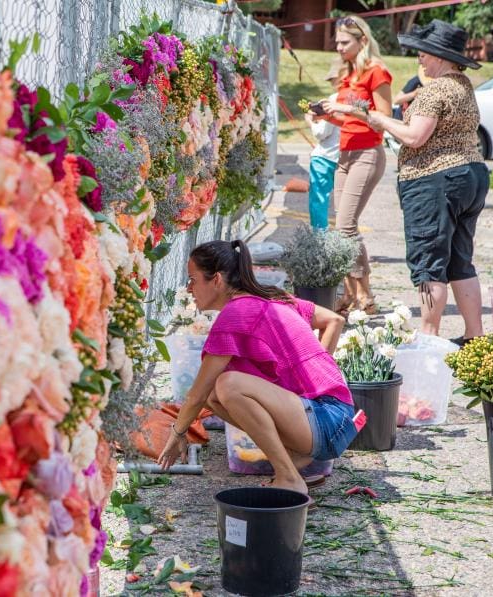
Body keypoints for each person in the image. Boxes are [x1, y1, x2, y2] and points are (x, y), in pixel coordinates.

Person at [156, 240, 355, 496]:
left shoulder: (235, 313)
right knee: (216, 395)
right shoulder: (270, 297)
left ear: (216, 279)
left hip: (326, 419)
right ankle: (293, 457)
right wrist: (311, 377)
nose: (189, 288)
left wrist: (178, 432)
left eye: (193, 279)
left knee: (227, 385)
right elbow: (334, 320)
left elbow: (196, 391)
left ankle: (289, 477)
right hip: (331, 416)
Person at [366, 20, 487, 345]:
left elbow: (415, 137)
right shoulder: (463, 86)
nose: (420, 57)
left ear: (441, 56)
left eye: (425, 52)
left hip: (435, 180)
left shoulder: (435, 90)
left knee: (429, 261)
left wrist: (380, 120)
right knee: (460, 260)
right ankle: (475, 338)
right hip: (472, 174)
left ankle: (429, 338)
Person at [315, 16, 393, 316]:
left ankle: (366, 294)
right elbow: (348, 120)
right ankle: (349, 294)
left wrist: (346, 107)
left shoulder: (377, 72)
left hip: (368, 153)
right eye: (336, 42)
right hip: (345, 154)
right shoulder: (349, 74)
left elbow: (382, 117)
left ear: (362, 41)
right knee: (341, 228)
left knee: (346, 226)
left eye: (344, 42)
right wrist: (326, 116)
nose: (338, 48)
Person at [304, 58, 344, 230]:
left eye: (333, 80)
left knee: (319, 199)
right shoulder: (356, 97)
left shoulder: (334, 98)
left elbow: (322, 133)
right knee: (343, 201)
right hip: (344, 158)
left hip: (325, 157)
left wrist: (309, 121)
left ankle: (319, 237)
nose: (332, 84)